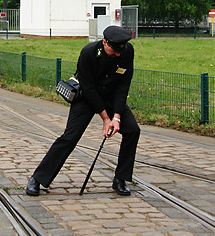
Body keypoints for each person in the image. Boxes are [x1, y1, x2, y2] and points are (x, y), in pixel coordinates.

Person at [26, 25, 140, 197]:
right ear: (104, 42)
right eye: (114, 50)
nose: (117, 54)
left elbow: (124, 85)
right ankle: (38, 178)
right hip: (86, 97)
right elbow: (89, 89)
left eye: (120, 51)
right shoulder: (88, 53)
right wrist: (105, 119)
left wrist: (116, 117)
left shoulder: (127, 51)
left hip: (111, 97)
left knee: (132, 130)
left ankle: (120, 179)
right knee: (70, 137)